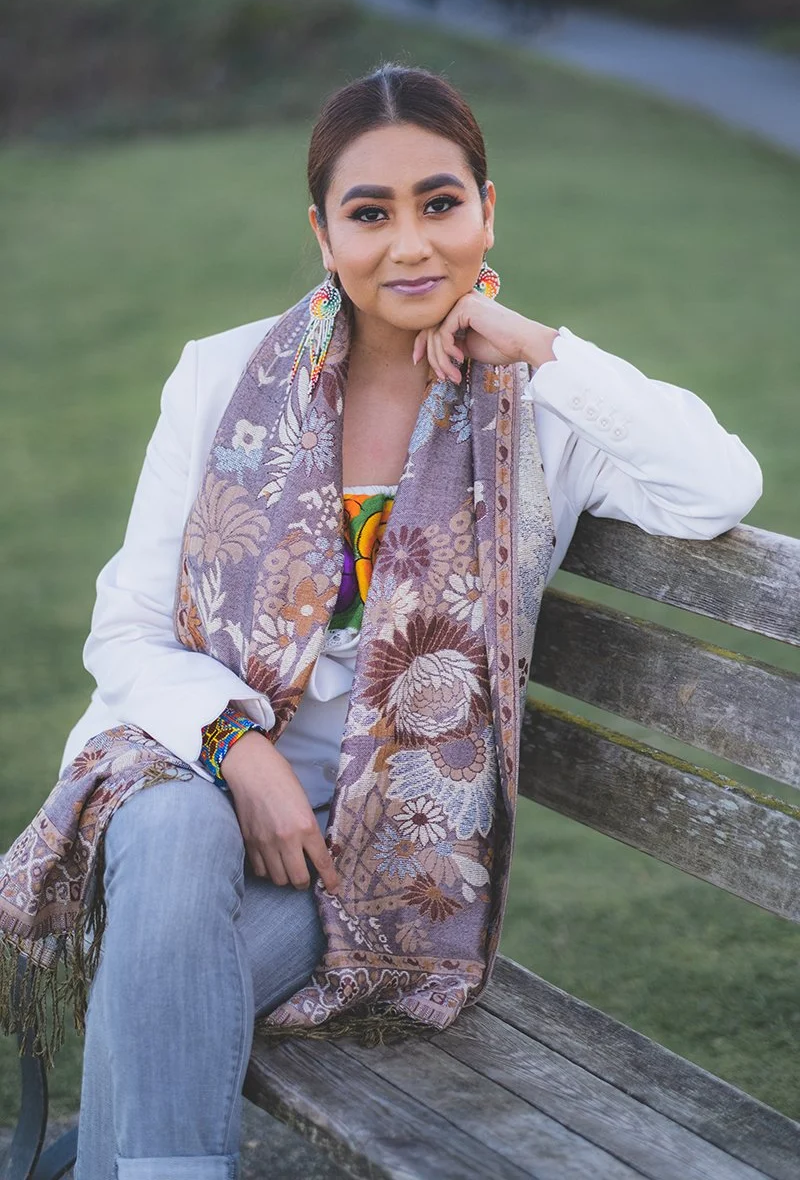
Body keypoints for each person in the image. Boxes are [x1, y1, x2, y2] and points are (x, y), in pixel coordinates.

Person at [0, 63, 762, 1179]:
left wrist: (534, 343)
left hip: (364, 854)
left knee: (165, 991)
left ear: (486, 211)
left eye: (439, 204)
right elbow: (126, 631)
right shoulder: (220, 377)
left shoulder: (542, 419)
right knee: (173, 836)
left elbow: (717, 488)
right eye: (370, 214)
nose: (410, 245)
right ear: (322, 233)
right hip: (183, 772)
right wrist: (239, 749)